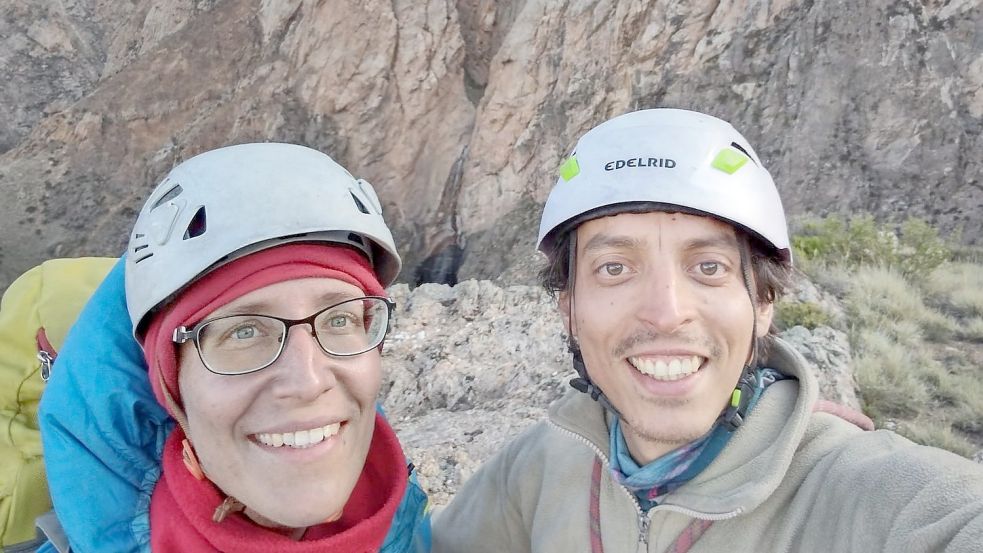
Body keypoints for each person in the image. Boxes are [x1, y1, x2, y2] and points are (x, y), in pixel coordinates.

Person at [431, 108, 983, 552]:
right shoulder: (542, 466)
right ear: (568, 308)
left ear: (762, 302)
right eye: (615, 268)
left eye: (709, 268)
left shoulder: (869, 491)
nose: (667, 312)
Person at [37, 143, 430, 552]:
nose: (308, 381)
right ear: (172, 388)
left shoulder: (400, 516)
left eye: (339, 319)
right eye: (243, 332)